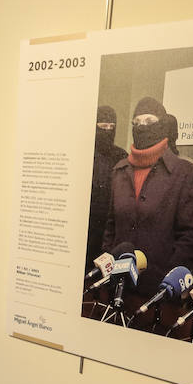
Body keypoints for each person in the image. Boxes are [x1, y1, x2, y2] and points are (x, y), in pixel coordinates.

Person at [101, 96, 193, 294]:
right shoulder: (119, 170)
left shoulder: (183, 171)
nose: (142, 127)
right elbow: (110, 227)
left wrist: (167, 280)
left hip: (158, 288)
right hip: (118, 284)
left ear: (162, 125)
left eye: (149, 121)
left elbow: (188, 236)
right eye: (137, 122)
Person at [87, 106, 126, 271]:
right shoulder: (85, 153)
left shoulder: (121, 156)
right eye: (103, 127)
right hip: (87, 228)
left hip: (110, 229)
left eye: (111, 127)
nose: (108, 131)